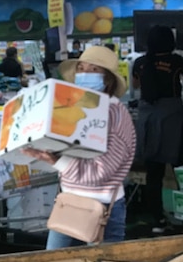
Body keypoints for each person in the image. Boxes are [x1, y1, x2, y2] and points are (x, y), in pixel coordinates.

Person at [22, 46, 136, 249]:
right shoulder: (76, 108)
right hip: (68, 204)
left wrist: (57, 161)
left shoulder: (116, 115)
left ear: (108, 79)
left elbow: (101, 172)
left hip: (101, 209)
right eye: (81, 68)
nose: (84, 74)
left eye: (94, 70)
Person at [132, 25, 183, 233]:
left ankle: (157, 220)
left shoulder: (140, 63)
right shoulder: (177, 61)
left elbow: (135, 86)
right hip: (173, 120)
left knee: (154, 173)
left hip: (149, 120)